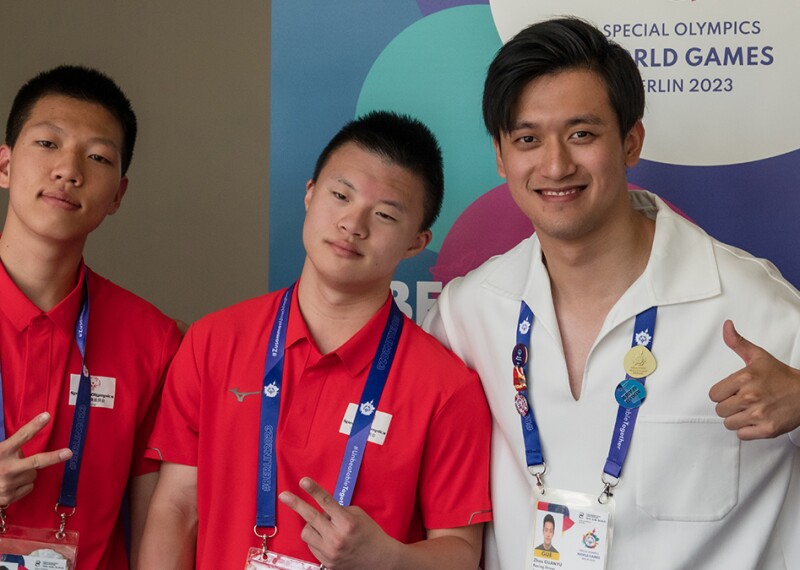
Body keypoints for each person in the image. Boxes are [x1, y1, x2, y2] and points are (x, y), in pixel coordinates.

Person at [423, 17, 800, 570]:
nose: (555, 165)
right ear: (501, 158)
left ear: (630, 142)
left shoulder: (745, 301)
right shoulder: (467, 313)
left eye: (582, 134)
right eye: (528, 139)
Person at [139, 111, 492, 569]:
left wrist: (386, 558)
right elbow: (177, 508)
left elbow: (461, 552)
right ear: (310, 194)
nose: (353, 223)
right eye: (340, 195)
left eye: (384, 214)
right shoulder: (214, 340)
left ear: (416, 243)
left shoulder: (446, 388)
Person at [0, 65, 182, 569]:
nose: (69, 169)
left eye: (97, 156)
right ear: (5, 165)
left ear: (118, 195)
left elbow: (159, 522)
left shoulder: (153, 340)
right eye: (47, 144)